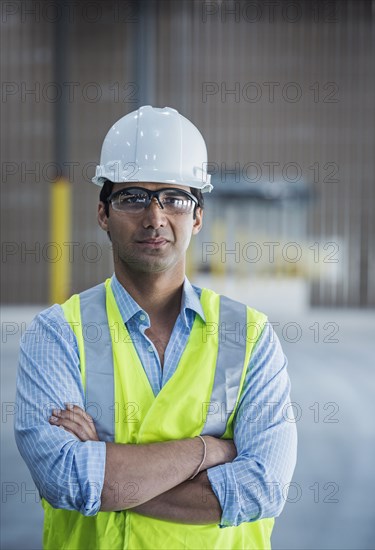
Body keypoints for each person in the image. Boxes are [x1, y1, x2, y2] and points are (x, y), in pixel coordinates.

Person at [15, 105, 297, 549]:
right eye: (132, 197)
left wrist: (108, 473)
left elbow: (262, 489)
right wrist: (211, 450)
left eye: (174, 198)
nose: (154, 217)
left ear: (197, 217)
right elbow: (66, 480)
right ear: (104, 213)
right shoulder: (57, 335)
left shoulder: (250, 337)